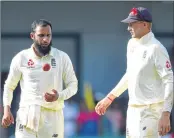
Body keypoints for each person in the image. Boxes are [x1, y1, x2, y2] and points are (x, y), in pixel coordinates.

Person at [95, 7, 173, 138]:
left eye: (132, 24)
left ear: (144, 24)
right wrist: (109, 98)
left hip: (151, 111)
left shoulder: (156, 48)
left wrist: (166, 114)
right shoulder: (131, 44)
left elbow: (169, 80)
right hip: (132, 110)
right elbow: (130, 75)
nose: (128, 27)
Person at [1, 19, 78, 138]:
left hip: (52, 117)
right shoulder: (21, 58)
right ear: (32, 36)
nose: (45, 39)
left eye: (48, 35)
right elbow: (9, 86)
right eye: (41, 35)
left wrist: (59, 96)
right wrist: (6, 109)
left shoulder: (62, 57)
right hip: (26, 114)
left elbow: (73, 85)